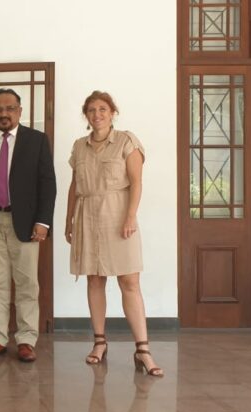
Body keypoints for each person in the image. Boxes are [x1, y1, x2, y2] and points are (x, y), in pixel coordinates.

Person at [64, 90, 163, 376]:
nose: (97, 114)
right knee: (94, 279)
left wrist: (130, 216)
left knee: (129, 281)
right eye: (91, 110)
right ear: (86, 115)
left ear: (112, 113)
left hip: (118, 216)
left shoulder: (126, 141)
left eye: (102, 109)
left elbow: (136, 182)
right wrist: (69, 219)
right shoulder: (79, 146)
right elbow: (74, 185)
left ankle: (143, 349)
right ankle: (99, 343)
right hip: (87, 215)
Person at [0, 88, 56, 363]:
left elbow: (47, 184)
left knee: (27, 284)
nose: (4, 114)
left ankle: (26, 340)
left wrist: (43, 221)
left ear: (19, 111)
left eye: (10, 108)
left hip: (26, 224)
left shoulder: (37, 141)